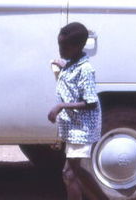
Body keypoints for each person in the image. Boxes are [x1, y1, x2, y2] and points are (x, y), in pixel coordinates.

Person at [48, 22, 104, 200]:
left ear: (78, 46)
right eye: (60, 45)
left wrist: (60, 106)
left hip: (83, 128)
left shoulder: (86, 69)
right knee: (76, 172)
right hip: (74, 127)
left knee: (69, 173)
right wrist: (63, 65)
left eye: (65, 46)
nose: (61, 49)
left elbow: (91, 102)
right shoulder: (73, 63)